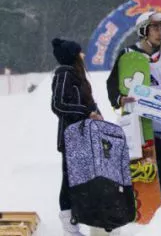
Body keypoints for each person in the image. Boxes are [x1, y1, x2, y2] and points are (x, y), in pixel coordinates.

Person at [106, 10, 161, 200]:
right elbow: (112, 83)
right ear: (143, 31)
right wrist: (119, 99)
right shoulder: (128, 55)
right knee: (141, 168)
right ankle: (136, 203)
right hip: (139, 125)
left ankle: (159, 202)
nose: (160, 32)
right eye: (155, 28)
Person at [51, 38, 103, 236]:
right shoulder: (64, 74)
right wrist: (85, 113)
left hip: (84, 135)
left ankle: (83, 220)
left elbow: (88, 103)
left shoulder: (79, 76)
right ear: (73, 56)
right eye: (79, 52)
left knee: (84, 179)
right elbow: (58, 105)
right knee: (70, 180)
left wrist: (96, 113)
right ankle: (69, 226)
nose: (83, 55)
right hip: (71, 136)